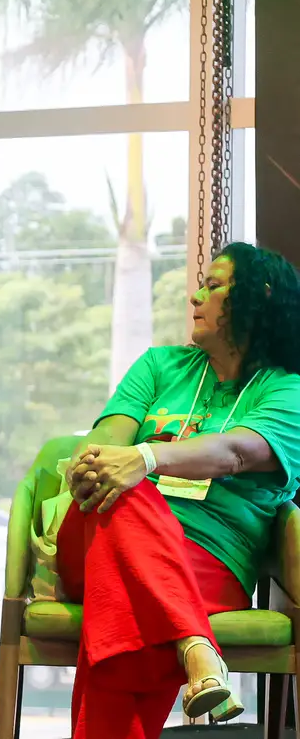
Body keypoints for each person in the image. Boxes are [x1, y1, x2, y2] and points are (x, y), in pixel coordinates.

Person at [63, 242, 300, 737]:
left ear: (259, 296)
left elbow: (237, 452)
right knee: (123, 493)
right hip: (94, 531)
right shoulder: (159, 366)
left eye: (213, 286)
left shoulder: (287, 391)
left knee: (124, 621)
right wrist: (99, 464)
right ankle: (195, 643)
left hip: (210, 559)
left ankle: (189, 645)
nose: (196, 296)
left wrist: (146, 458)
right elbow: (104, 446)